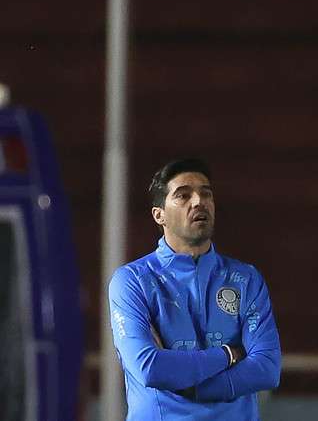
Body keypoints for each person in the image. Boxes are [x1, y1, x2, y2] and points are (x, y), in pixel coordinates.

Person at [108, 158, 281, 420]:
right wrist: (228, 354)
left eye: (206, 193)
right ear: (159, 215)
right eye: (183, 195)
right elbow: (150, 368)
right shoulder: (133, 281)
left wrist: (189, 385)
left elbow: (267, 368)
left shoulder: (246, 279)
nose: (199, 201)